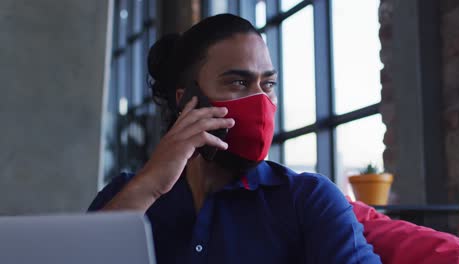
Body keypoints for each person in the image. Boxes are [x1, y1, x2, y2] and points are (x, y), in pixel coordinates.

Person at [88, 14, 381, 264]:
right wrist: (151, 185)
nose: (261, 100)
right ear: (187, 99)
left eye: (268, 84)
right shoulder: (126, 194)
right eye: (239, 83)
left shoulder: (309, 199)